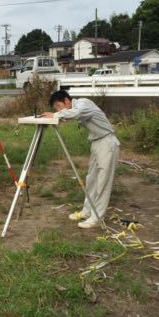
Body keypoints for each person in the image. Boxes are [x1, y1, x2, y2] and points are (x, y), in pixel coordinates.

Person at [41, 91, 120, 229]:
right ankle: (87, 211)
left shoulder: (83, 103)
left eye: (59, 106)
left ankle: (96, 217)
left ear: (66, 101)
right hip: (97, 142)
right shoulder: (74, 108)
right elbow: (69, 115)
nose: (59, 110)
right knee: (91, 179)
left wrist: (55, 115)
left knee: (103, 181)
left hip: (107, 142)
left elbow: (76, 113)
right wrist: (55, 117)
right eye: (56, 108)